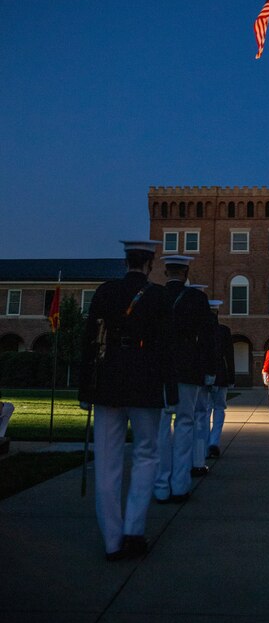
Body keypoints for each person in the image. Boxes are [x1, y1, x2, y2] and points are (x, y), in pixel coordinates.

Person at [79, 239, 173, 561]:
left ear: (125, 262)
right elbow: (166, 350)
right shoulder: (159, 297)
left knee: (107, 462)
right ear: (150, 264)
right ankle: (134, 531)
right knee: (146, 454)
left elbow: (90, 340)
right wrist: (168, 391)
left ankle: (112, 541)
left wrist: (84, 390)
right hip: (145, 382)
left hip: (107, 381)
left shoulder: (105, 292)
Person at [154, 257, 216, 502]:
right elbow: (207, 339)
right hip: (188, 370)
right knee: (185, 424)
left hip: (158, 370)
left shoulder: (155, 296)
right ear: (186, 272)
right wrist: (208, 371)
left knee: (160, 426)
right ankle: (180, 485)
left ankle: (161, 486)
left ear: (166, 271)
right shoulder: (197, 299)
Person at [206, 300, 235, 459]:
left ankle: (204, 444)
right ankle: (214, 442)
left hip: (204, 377)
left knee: (205, 411)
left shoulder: (201, 330)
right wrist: (231, 377)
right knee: (219, 409)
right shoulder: (224, 330)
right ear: (217, 313)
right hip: (221, 376)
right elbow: (229, 357)